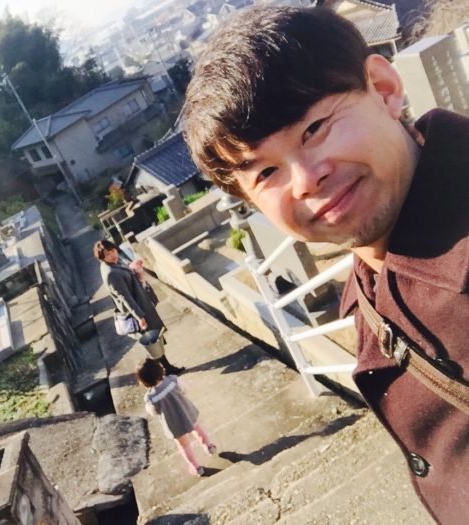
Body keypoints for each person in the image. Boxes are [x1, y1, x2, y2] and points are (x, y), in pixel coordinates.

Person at [182, 6, 468, 524]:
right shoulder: (370, 282)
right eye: (265, 172)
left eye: (314, 128)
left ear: (384, 89)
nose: (305, 180)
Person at [93, 239, 185, 375]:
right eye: (108, 254)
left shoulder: (111, 264)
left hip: (141, 305)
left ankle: (164, 368)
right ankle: (166, 369)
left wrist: (133, 271)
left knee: (154, 340)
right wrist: (139, 317)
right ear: (102, 258)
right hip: (138, 310)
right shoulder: (111, 273)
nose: (112, 255)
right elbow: (125, 298)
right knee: (152, 341)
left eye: (112, 250)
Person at [137, 358, 216, 476]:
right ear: (159, 369)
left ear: (144, 381)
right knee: (197, 429)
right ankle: (208, 446)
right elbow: (185, 389)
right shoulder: (172, 380)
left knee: (184, 445)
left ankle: (196, 467)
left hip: (173, 424)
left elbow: (153, 412)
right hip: (187, 412)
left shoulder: (151, 397)